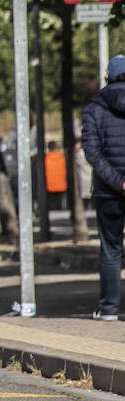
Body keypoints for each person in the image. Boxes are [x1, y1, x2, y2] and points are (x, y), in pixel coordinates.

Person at [80, 55, 125, 321]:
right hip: (113, 187)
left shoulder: (94, 107)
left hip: (109, 192)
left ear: (107, 77)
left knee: (110, 248)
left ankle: (108, 309)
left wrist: (118, 182)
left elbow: (92, 152)